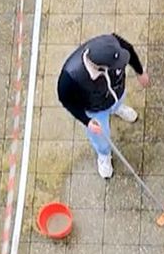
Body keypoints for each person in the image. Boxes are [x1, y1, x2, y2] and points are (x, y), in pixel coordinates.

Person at [57, 33, 150, 178]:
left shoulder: (112, 43)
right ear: (101, 67)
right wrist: (86, 121)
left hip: (116, 93)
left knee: (118, 101)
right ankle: (104, 155)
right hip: (95, 109)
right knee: (101, 136)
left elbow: (128, 50)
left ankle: (117, 108)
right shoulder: (70, 77)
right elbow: (66, 100)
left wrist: (139, 71)